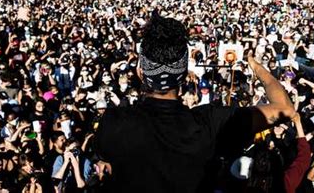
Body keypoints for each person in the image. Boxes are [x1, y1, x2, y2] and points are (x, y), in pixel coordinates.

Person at [94, 13, 296, 192]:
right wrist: (256, 66)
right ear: (184, 75)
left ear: (140, 72)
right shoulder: (211, 124)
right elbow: (285, 108)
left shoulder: (113, 123)